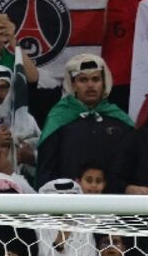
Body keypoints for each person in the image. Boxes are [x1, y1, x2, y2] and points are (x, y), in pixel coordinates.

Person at [36, 55, 134, 190]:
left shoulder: (120, 121)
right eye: (83, 80)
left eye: (96, 79)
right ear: (73, 85)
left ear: (104, 83)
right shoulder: (59, 119)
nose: (90, 85)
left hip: (113, 199)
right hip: (68, 198)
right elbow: (46, 169)